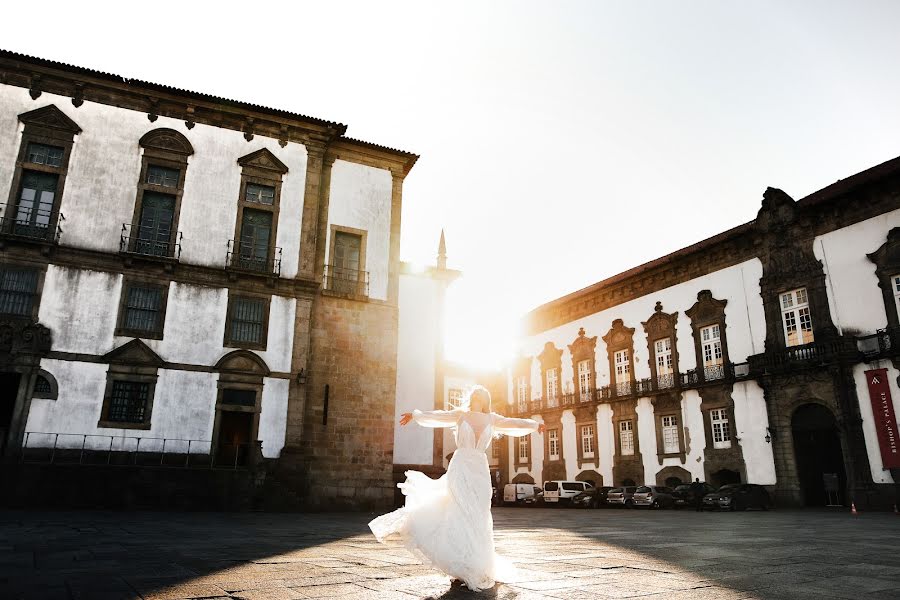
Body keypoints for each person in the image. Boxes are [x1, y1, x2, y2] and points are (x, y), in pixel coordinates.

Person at [368, 385, 544, 592]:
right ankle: (460, 562)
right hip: (460, 467)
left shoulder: (492, 419)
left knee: (478, 514)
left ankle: (476, 562)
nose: (480, 396)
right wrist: (416, 416)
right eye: (477, 393)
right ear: (473, 397)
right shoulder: (461, 415)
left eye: (483, 394)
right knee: (459, 509)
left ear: (486, 399)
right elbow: (439, 416)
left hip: (479, 468)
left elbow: (514, 423)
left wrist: (534, 425)